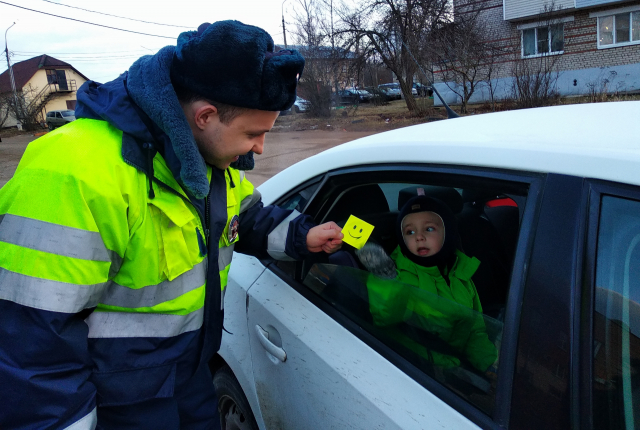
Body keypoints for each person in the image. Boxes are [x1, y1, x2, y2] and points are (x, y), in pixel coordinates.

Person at [0, 20, 343, 429]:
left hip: (187, 378)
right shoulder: (74, 173)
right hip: (115, 405)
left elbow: (243, 219)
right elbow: (31, 347)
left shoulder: (212, 161)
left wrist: (303, 235)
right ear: (205, 116)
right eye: (254, 133)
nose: (260, 148)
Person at [356, 193, 497, 374]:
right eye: (410, 232)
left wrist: (487, 366)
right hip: (420, 370)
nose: (419, 237)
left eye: (429, 229)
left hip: (456, 367)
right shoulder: (400, 274)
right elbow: (385, 318)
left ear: (448, 233)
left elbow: (475, 328)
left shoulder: (459, 272)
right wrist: (386, 278)